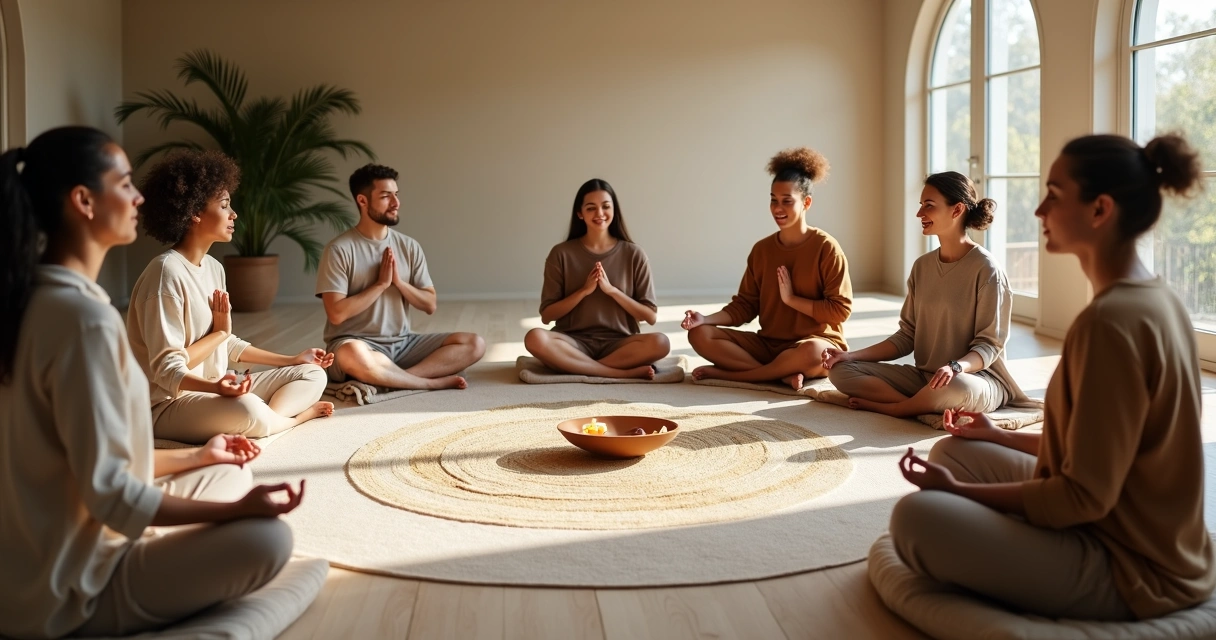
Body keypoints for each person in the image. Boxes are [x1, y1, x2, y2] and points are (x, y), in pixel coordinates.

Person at [889, 134, 1214, 621]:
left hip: (1134, 565)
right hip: (1117, 517)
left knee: (916, 518)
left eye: (1055, 195)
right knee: (954, 450)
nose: (1039, 210)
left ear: (1100, 210)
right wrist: (998, 434)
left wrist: (958, 494)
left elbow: (1079, 496)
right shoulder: (1154, 297)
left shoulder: (1110, 324)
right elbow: (1099, 456)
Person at [0, 126, 303, 639]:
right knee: (268, 541)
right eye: (124, 183)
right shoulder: (83, 320)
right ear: (83, 201)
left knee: (229, 476)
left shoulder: (35, 299)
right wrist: (236, 516)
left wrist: (199, 456)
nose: (139, 196)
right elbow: (111, 494)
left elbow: (84, 466)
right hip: (64, 593)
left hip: (31, 560)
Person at [127, 150, 334, 444]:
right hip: (166, 406)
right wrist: (220, 341)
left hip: (214, 389)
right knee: (246, 406)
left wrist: (291, 359)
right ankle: (292, 419)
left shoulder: (214, 268)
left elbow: (227, 344)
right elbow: (167, 369)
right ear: (195, 212)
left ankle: (268, 423)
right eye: (224, 205)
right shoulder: (165, 274)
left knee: (313, 375)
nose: (233, 214)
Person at [822, 172, 1038, 417]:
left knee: (956, 387)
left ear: (957, 210)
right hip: (926, 378)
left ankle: (900, 409)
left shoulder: (987, 270)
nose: (919, 214)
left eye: (929, 206)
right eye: (921, 205)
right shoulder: (922, 267)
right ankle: (918, 406)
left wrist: (956, 367)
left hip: (976, 380)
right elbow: (907, 336)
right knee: (840, 371)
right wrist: (850, 355)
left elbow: (989, 346)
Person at [681, 147, 852, 389]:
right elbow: (745, 306)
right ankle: (778, 375)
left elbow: (840, 310)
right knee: (699, 334)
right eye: (773, 200)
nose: (777, 208)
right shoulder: (762, 250)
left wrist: (792, 300)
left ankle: (738, 375)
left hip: (812, 344)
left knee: (815, 352)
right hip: (768, 346)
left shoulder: (827, 248)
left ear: (807, 202)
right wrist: (705, 319)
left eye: (786, 201)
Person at [317, 163, 485, 389]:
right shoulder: (339, 249)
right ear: (362, 201)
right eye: (386, 196)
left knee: (474, 344)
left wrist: (398, 283)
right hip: (358, 345)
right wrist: (380, 285)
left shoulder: (408, 246)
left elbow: (429, 304)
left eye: (396, 195)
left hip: (404, 344)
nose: (396, 203)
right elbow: (336, 314)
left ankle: (397, 380)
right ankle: (425, 383)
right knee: (351, 353)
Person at [523, 179, 669, 379]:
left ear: (614, 210)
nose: (599, 214)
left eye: (606, 207)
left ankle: (578, 368)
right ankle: (616, 373)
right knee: (535, 338)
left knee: (661, 343)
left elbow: (650, 317)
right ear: (580, 213)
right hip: (573, 342)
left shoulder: (634, 254)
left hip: (620, 343)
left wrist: (612, 291)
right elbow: (547, 315)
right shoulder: (561, 253)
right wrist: (584, 291)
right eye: (591, 208)